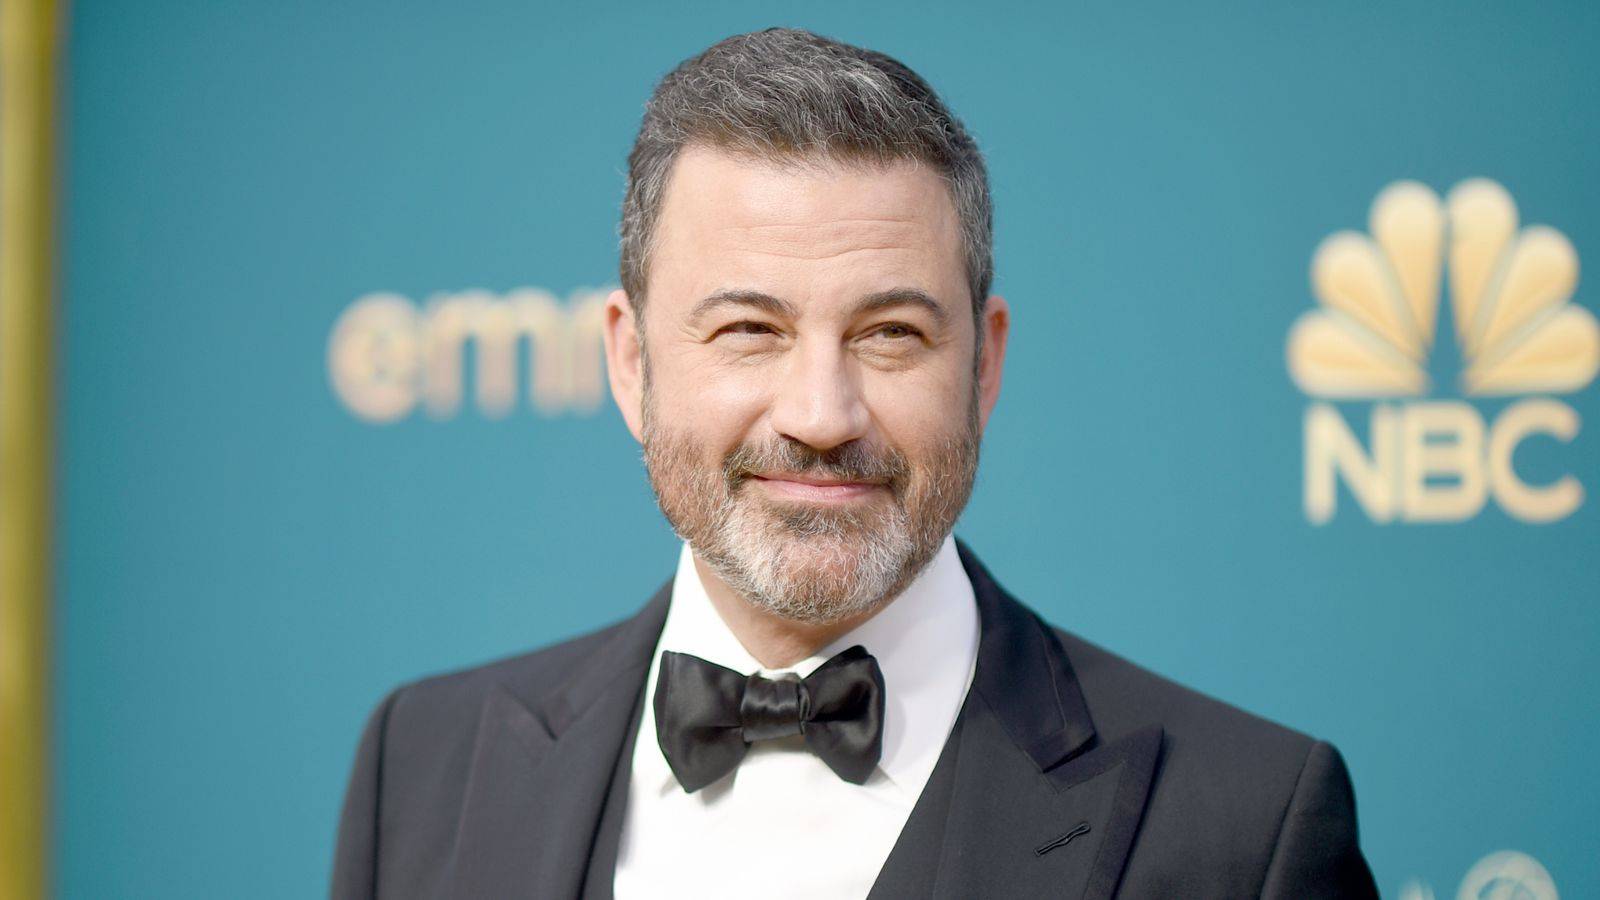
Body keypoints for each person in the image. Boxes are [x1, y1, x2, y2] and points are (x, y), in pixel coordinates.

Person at [330, 27, 1378, 899]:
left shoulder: (1247, 830)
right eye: (749, 330)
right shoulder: (421, 769)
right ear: (631, 361)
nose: (822, 415)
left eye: (889, 334)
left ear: (984, 365)